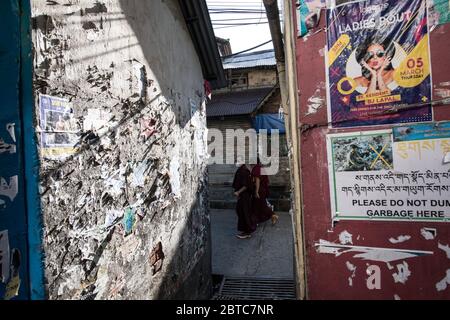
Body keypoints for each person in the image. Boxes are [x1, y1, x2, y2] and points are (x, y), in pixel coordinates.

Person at [232, 160, 256, 239]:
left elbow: (246, 185)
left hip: (245, 195)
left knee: (245, 212)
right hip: (242, 196)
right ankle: (246, 230)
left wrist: (238, 192)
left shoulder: (244, 171)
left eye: (238, 161)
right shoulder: (241, 170)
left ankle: (248, 231)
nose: (236, 162)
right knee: (240, 211)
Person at [251, 158, 278, 226]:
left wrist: (256, 191)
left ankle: (273, 215)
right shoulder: (260, 168)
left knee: (262, 205)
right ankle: (257, 220)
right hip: (262, 190)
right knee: (258, 205)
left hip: (259, 190)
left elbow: (257, 180)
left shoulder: (256, 169)